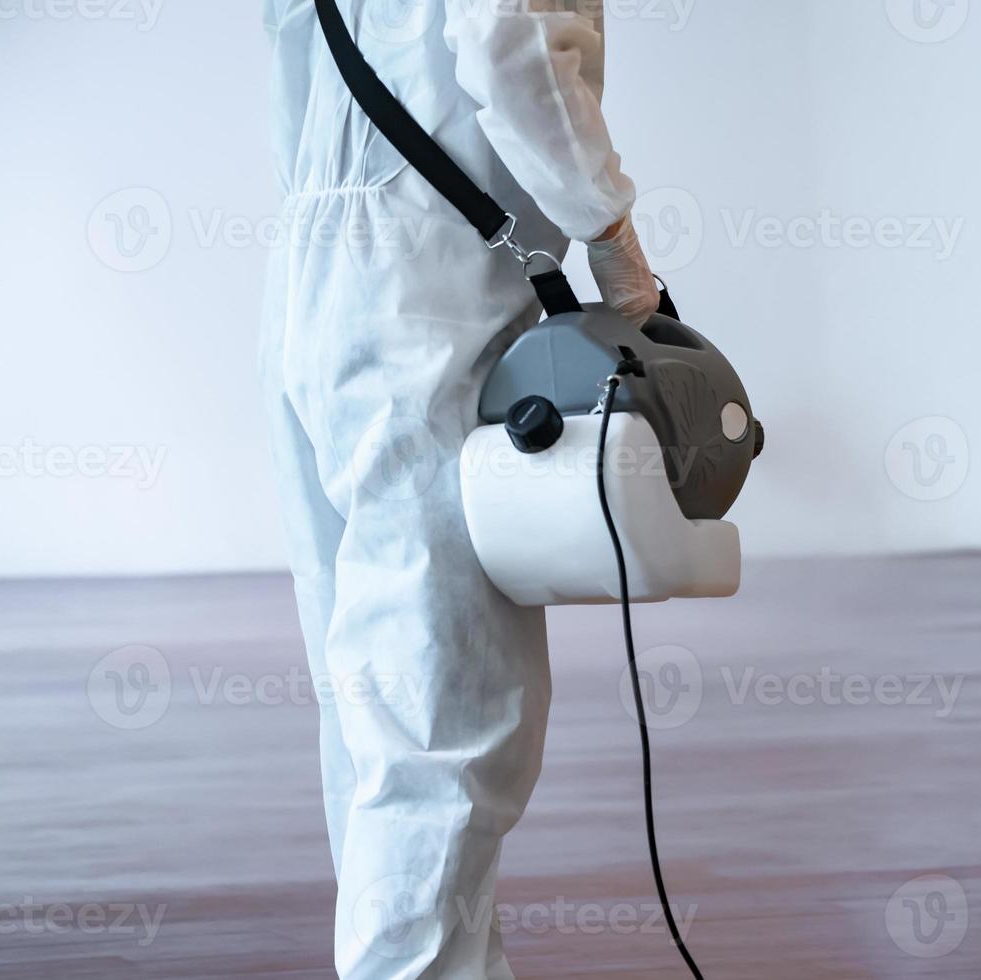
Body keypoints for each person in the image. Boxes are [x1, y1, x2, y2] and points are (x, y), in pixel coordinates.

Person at [259, 1, 658, 976]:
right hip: (427, 289)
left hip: (313, 278)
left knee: (370, 702)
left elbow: (294, 65)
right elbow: (503, 38)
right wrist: (609, 231)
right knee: (443, 704)